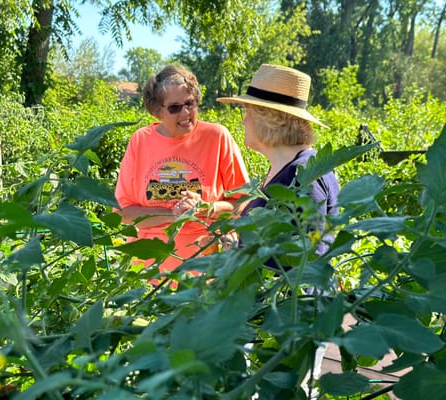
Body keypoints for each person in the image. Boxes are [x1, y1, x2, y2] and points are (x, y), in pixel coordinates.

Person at [217, 63, 340, 396]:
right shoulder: (288, 168)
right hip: (274, 316)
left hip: (290, 321)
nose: (242, 119)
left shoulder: (304, 177)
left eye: (247, 111)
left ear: (268, 119)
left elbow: (303, 259)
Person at [115, 64, 249, 277]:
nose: (185, 113)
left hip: (206, 266)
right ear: (157, 110)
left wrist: (209, 208)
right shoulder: (140, 141)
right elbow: (125, 213)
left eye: (190, 103)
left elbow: (245, 201)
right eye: (174, 107)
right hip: (149, 269)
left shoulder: (217, 137)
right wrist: (173, 213)